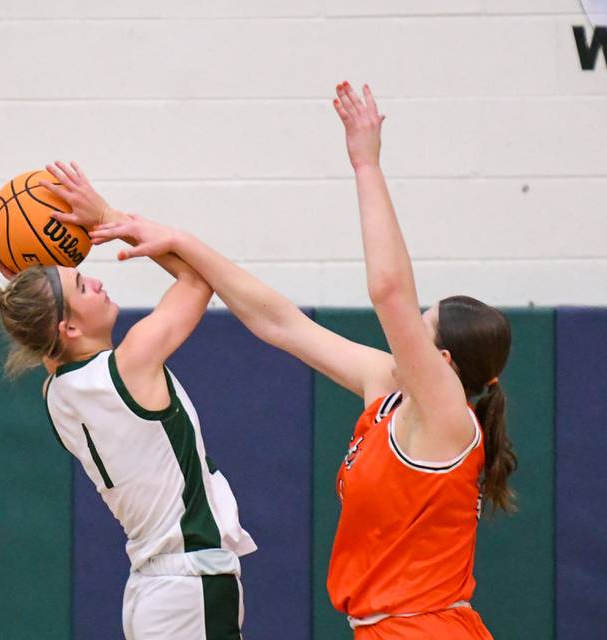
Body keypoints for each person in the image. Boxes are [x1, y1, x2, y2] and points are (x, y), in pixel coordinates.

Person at [85, 82, 516, 639]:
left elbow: (389, 291)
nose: (404, 335)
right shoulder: (390, 389)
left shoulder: (447, 416)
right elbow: (280, 323)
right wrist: (178, 241)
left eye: (421, 326)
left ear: (443, 360)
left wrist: (366, 165)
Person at [0, 160, 256, 640]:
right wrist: (107, 218)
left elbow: (40, 328)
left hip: (155, 589)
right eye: (82, 286)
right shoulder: (130, 364)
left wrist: (27, 274)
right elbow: (198, 280)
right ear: (68, 327)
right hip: (188, 582)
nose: (97, 282)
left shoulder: (56, 392)